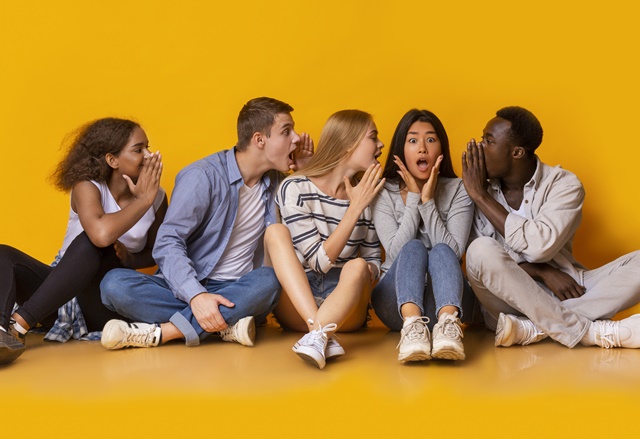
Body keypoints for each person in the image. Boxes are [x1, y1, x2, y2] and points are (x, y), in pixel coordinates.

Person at [99, 97, 313, 350]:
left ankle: (166, 332)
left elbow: (309, 230)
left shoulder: (280, 183)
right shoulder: (203, 176)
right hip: (192, 283)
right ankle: (226, 326)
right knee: (114, 285)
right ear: (259, 140)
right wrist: (196, 295)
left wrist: (304, 173)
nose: (297, 139)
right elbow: (168, 241)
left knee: (270, 280)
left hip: (241, 288)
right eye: (286, 131)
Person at [462, 106, 640, 349]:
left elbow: (539, 248)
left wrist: (481, 197)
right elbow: (487, 266)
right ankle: (585, 329)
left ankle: (533, 328)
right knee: (480, 250)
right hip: (508, 300)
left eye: (489, 141)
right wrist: (542, 272)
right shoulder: (473, 190)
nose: (479, 147)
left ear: (517, 152)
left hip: (569, 288)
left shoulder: (565, 185)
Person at [0, 118, 166, 365]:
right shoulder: (87, 186)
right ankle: (2, 332)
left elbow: (155, 252)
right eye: (138, 149)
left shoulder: (156, 197)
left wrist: (131, 258)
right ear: (112, 160)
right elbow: (100, 232)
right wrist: (143, 201)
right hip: (55, 296)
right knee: (4, 254)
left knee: (96, 242)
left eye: (148, 147)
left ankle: (18, 326)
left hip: (103, 302)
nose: (149, 156)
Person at [263, 109, 384, 369]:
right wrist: (354, 209)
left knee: (358, 265)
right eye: (373, 137)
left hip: (346, 306)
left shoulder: (368, 196)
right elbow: (318, 262)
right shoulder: (295, 188)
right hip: (298, 301)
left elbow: (373, 258)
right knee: (275, 232)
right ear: (349, 143)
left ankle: (317, 334)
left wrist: (367, 272)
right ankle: (319, 332)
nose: (381, 144)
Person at [371, 109, 474, 363]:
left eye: (430, 139)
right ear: (401, 148)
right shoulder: (384, 192)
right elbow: (396, 252)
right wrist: (414, 199)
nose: (422, 148)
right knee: (414, 247)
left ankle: (448, 329)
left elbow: (454, 253)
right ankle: (412, 328)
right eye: (413, 140)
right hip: (394, 303)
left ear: (441, 148)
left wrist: (428, 202)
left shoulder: (459, 189)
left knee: (441, 250)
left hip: (449, 302)